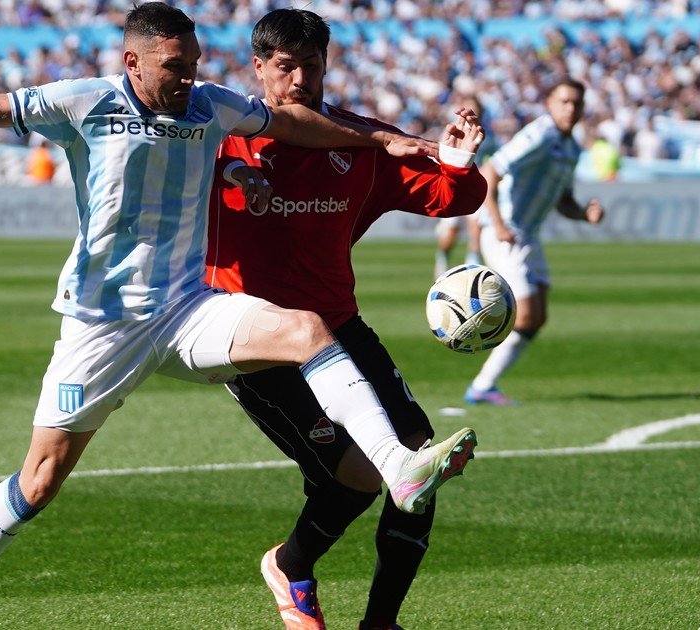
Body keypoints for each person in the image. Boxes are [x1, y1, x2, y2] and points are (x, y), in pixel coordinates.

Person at [0, 4, 471, 628]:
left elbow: (294, 124)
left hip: (189, 311)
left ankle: (398, 464)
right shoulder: (85, 101)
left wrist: (388, 141)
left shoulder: (212, 104)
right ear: (133, 62)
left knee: (306, 330)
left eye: (192, 64)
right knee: (40, 482)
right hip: (103, 326)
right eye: (173, 69)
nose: (187, 80)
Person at [206, 10, 486, 629]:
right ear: (259, 69)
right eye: (287, 67)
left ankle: (380, 622)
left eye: (312, 64)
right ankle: (290, 564)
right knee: (360, 475)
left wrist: (461, 164)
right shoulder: (223, 136)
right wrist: (231, 172)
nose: (301, 78)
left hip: (339, 327)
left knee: (419, 459)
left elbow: (450, 196)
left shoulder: (360, 140)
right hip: (256, 336)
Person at [464, 77, 606, 406]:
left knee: (538, 317)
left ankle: (484, 385)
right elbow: (490, 171)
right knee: (526, 315)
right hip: (507, 232)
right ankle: (481, 381)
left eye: (576, 103)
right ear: (550, 104)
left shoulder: (571, 146)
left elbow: (563, 200)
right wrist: (498, 224)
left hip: (528, 235)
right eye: (564, 102)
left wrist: (585, 213)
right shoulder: (539, 133)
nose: (570, 108)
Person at [434, 93, 492, 277]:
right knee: (452, 230)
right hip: (454, 185)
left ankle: (472, 268)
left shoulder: (488, 139)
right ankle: (442, 257)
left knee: (477, 228)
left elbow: (491, 163)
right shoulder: (453, 133)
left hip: (476, 187)